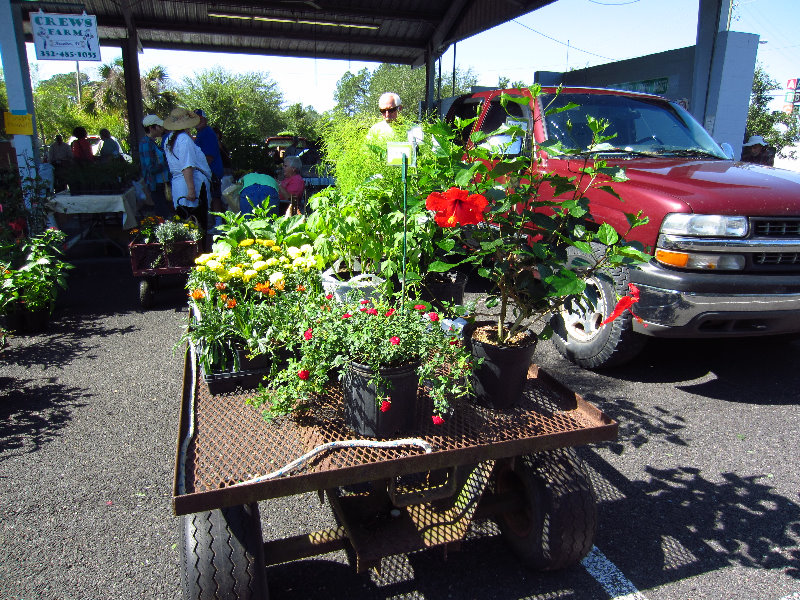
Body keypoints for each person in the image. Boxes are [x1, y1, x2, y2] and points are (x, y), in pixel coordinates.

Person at [162, 107, 212, 246]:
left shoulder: (170, 138)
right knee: (196, 225)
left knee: (186, 225)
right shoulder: (184, 139)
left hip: (180, 185)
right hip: (190, 185)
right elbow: (187, 166)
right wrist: (191, 190)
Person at [193, 109, 224, 221]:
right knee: (213, 197)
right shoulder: (201, 133)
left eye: (200, 119)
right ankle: (216, 222)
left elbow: (209, 157)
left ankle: (218, 223)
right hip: (208, 172)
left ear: (205, 119)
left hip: (212, 172)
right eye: (195, 119)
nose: (198, 121)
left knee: (214, 197)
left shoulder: (207, 133)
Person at [139, 114, 172, 218]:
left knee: (165, 211)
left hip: (161, 183)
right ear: (151, 128)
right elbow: (150, 168)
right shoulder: (146, 143)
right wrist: (166, 162)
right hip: (156, 185)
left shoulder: (152, 142)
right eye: (159, 126)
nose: (161, 128)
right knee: (163, 213)